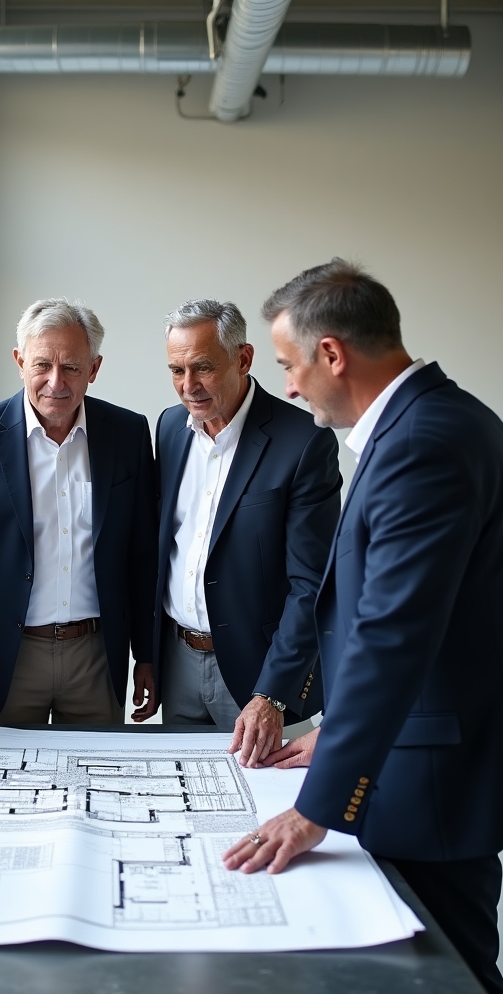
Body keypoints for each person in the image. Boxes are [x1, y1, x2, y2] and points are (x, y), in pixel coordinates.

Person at [223, 259, 503, 994]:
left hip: (439, 764)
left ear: (332, 355)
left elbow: (394, 633)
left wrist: (318, 804)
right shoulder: (439, 420)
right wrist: (336, 732)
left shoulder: (424, 444)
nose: (286, 386)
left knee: (448, 977)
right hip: (427, 738)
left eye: (287, 365)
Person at [0, 298, 158, 725]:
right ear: (19, 361)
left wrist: (147, 655)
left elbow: (143, 558)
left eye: (71, 366)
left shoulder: (129, 434)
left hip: (97, 656)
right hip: (4, 657)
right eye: (42, 364)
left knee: (99, 785)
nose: (56, 381)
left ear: (94, 369)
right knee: (7, 786)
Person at [155, 299, 340, 764]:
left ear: (243, 358)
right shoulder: (170, 429)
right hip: (177, 662)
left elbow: (312, 585)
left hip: (261, 674)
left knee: (266, 810)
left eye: (202, 368)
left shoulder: (304, 441)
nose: (188, 386)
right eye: (176, 370)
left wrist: (274, 694)